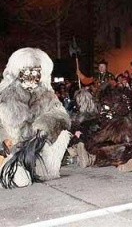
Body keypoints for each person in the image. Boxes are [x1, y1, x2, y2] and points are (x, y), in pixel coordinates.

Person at [0, 47, 71, 188]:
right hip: (10, 149)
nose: (31, 76)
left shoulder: (47, 95)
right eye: (27, 71)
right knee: (20, 180)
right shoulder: (5, 95)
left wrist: (45, 125)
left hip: (35, 150)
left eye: (35, 72)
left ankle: (42, 168)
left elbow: (62, 116)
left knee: (63, 135)